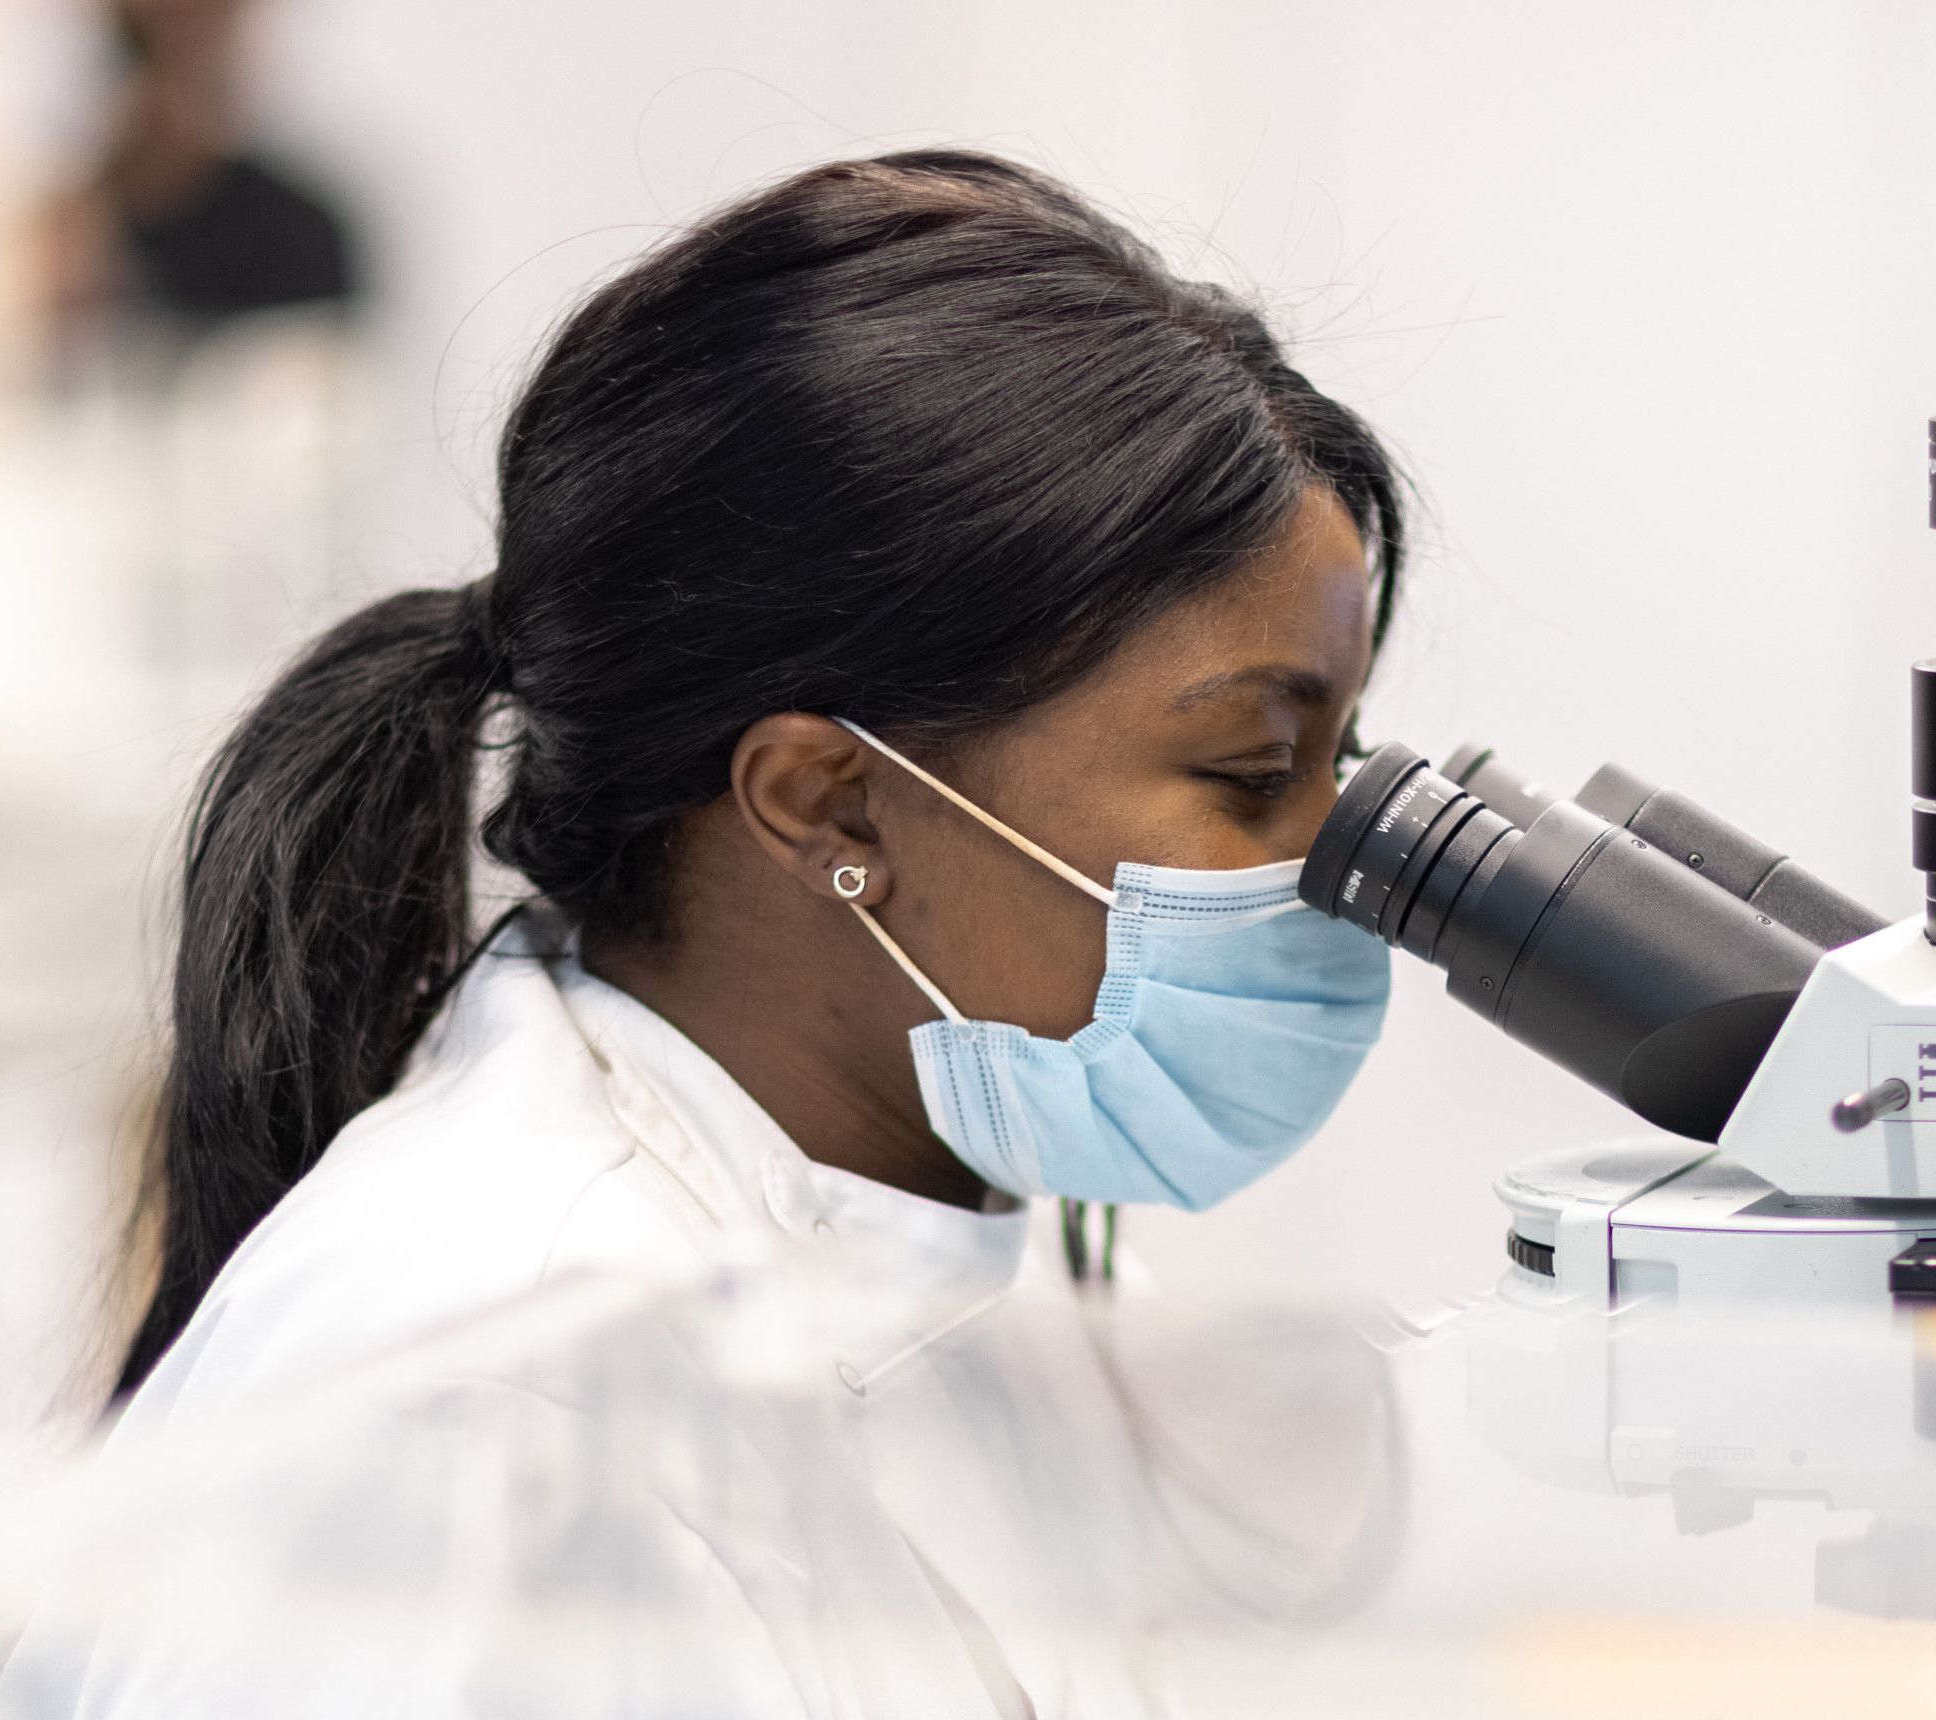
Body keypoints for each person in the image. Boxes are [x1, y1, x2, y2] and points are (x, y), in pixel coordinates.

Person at [104, 148, 1409, 1432]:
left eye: (1334, 760)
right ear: (829, 802)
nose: (1345, 854)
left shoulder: (980, 1233)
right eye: (1254, 771)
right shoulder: (486, 1378)